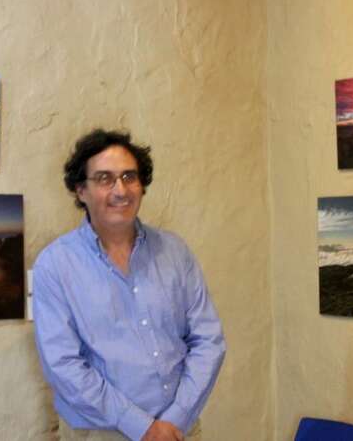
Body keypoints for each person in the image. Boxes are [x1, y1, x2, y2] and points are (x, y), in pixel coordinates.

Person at [33, 129, 226, 441]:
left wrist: (176, 418)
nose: (120, 190)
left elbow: (209, 340)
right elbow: (63, 365)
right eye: (104, 179)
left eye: (129, 177)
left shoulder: (175, 252)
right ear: (81, 190)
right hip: (100, 433)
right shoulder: (54, 265)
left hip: (179, 429)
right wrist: (143, 427)